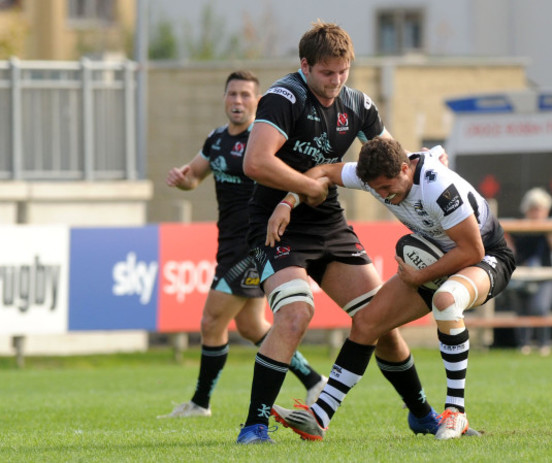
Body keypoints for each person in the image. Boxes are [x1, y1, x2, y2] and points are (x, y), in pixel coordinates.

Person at [236, 22, 442, 444]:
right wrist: (304, 187)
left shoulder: (358, 105)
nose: (335, 81)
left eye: (343, 71)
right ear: (305, 65)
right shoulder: (283, 97)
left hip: (327, 221)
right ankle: (255, 426)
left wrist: (430, 171)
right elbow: (255, 162)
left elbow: (392, 159)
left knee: (378, 320)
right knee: (296, 313)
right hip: (275, 224)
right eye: (327, 72)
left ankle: (421, 414)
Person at [267, 138, 516, 440]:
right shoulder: (372, 177)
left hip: (487, 257)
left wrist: (419, 276)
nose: (384, 195)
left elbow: (472, 250)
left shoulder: (438, 187)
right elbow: (322, 172)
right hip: (435, 257)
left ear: (404, 168)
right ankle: (319, 416)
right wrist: (287, 202)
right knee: (367, 321)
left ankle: (455, 412)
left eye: (388, 187)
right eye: (377, 190)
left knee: (446, 299)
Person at [158, 70, 326, 420]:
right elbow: (195, 176)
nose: (238, 101)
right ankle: (313, 380)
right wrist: (182, 179)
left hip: (254, 244)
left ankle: (200, 403)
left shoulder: (265, 141)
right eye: (232, 94)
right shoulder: (216, 139)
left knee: (210, 321)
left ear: (257, 101)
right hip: (228, 244)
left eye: (246, 96)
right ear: (224, 98)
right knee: (251, 327)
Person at [508, 187, 552, 356]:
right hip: (521, 275)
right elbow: (509, 250)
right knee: (521, 312)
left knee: (540, 308)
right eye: (533, 208)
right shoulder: (517, 227)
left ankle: (543, 345)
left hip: (545, 275)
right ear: (526, 209)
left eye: (540, 209)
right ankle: (523, 345)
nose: (537, 212)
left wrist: (546, 228)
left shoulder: (550, 228)